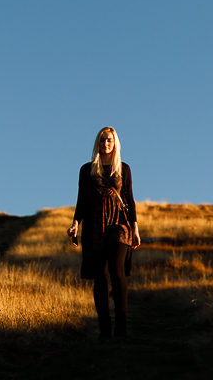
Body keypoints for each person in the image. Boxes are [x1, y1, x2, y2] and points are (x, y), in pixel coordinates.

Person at [67, 126, 141, 340]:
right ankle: (105, 329)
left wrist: (135, 228)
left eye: (109, 140)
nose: (105, 144)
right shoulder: (87, 170)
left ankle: (121, 326)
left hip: (119, 226)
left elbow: (129, 199)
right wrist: (75, 223)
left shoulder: (123, 169)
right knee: (100, 276)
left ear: (115, 143)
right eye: (102, 140)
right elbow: (82, 200)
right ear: (97, 144)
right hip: (94, 226)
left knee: (117, 272)